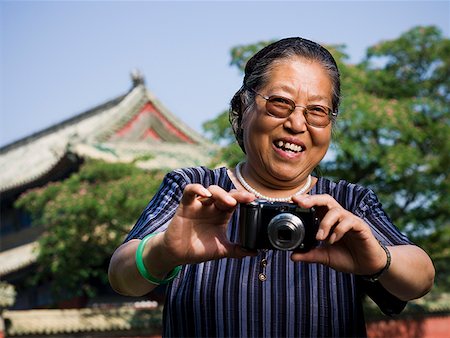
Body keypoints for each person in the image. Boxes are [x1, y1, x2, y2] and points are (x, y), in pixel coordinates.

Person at [108, 37, 435, 337]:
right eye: (279, 103)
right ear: (244, 106)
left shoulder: (349, 204)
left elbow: (419, 277)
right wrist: (164, 251)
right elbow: (122, 276)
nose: (296, 124)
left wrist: (378, 259)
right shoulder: (195, 191)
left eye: (317, 111)